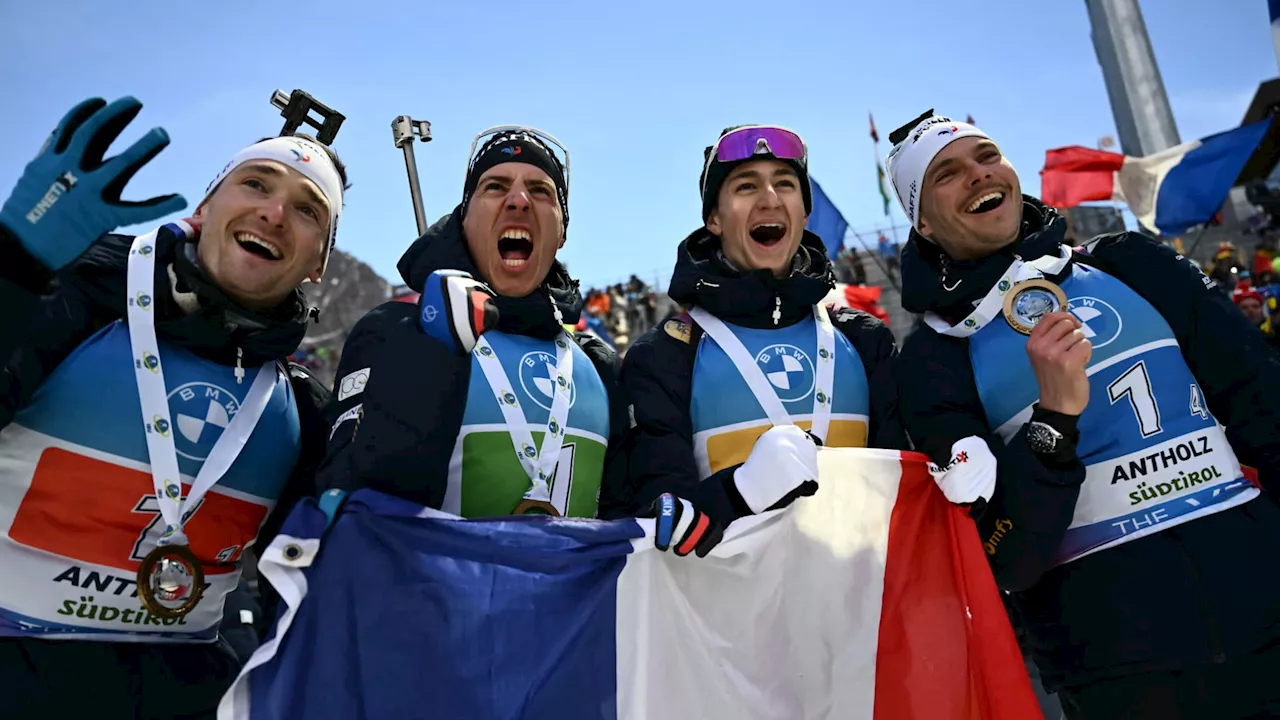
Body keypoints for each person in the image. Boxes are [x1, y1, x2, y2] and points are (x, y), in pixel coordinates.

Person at [887, 111, 1280, 719]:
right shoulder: (932, 357)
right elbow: (1007, 556)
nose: (977, 174)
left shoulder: (1132, 264)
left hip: (1266, 609)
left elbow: (1263, 403)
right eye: (946, 173)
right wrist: (1052, 422)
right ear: (924, 225)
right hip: (1123, 671)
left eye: (987, 155)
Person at [0, 96, 343, 717]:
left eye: (307, 209)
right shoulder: (75, 304)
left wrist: (241, 638)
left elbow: (318, 572)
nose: (273, 212)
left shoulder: (302, 409)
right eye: (256, 183)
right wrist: (12, 268)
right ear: (206, 207)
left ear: (318, 261)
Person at [620, 125, 908, 557]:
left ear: (804, 213)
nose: (770, 198)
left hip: (858, 616)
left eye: (786, 184)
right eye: (746, 185)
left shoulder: (864, 340)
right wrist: (738, 492)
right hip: (726, 619)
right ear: (713, 219)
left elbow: (905, 501)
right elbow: (655, 523)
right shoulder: (665, 354)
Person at [317, 125, 631, 520]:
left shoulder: (598, 366)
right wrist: (428, 356)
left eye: (540, 191)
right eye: (495, 187)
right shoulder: (394, 330)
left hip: (575, 583)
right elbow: (346, 502)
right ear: (463, 220)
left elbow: (629, 524)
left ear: (562, 231)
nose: (518, 200)